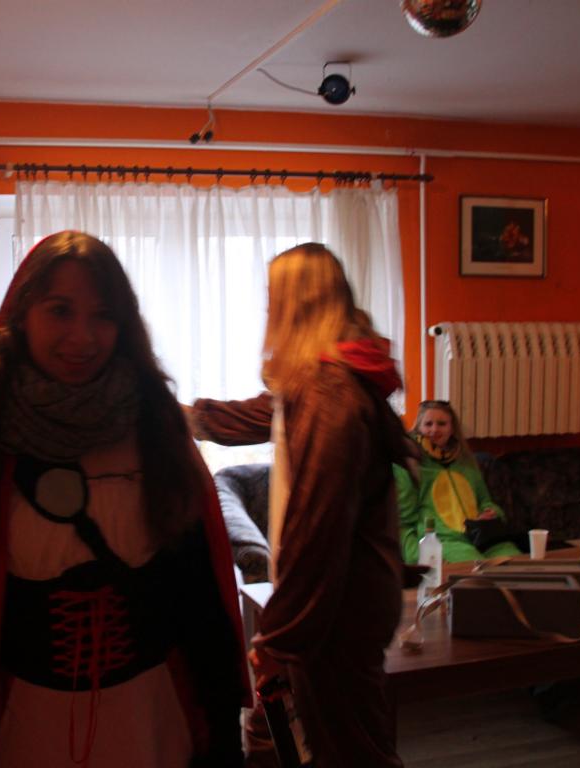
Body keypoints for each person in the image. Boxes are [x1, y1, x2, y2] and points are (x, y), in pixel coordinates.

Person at [0, 231, 249, 768]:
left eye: (103, 316)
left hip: (151, 718)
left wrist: (221, 729)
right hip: (21, 727)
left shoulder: (160, 439)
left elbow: (203, 598)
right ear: (22, 317)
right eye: (60, 311)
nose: (82, 337)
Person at [189, 243, 411, 767]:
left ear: (297, 304)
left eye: (274, 299)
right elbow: (259, 415)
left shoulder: (330, 392)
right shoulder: (321, 381)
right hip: (345, 604)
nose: (268, 311)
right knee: (309, 737)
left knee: (352, 753)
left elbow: (318, 532)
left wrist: (279, 640)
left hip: (338, 611)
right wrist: (182, 415)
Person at [395, 400, 521, 563]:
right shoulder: (410, 465)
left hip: (481, 535)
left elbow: (485, 501)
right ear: (418, 428)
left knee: (515, 560)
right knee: (473, 566)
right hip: (445, 541)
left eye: (442, 424)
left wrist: (491, 512)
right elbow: (403, 523)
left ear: (452, 428)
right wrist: (419, 556)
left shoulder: (467, 462)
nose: (435, 429)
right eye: (428, 424)